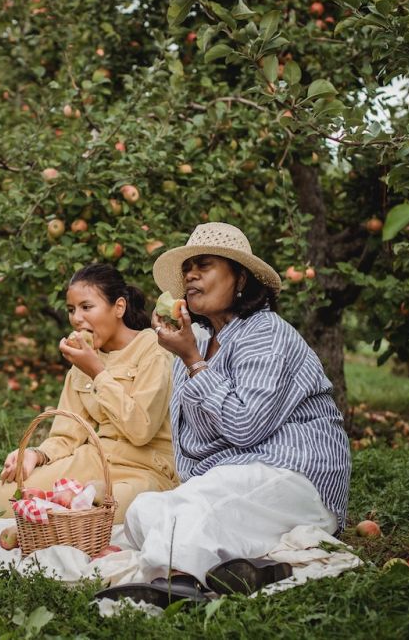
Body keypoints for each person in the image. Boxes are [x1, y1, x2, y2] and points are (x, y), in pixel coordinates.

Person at [105, 222, 351, 596]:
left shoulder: (265, 331)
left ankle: (178, 583)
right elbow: (194, 440)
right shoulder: (198, 343)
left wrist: (191, 361)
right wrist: (188, 354)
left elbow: (245, 427)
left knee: (193, 515)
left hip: (296, 475)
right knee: (143, 512)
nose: (191, 275)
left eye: (204, 265)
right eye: (188, 268)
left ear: (240, 279)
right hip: (235, 475)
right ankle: (259, 567)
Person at [0, 263, 179, 523]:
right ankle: (74, 503)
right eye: (71, 310)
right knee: (4, 499)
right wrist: (37, 454)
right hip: (96, 460)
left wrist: (98, 372)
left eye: (86, 307)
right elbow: (67, 434)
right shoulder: (83, 358)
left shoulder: (153, 349)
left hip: (143, 469)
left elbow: (141, 430)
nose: (76, 318)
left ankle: (77, 505)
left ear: (119, 307)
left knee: (105, 509)